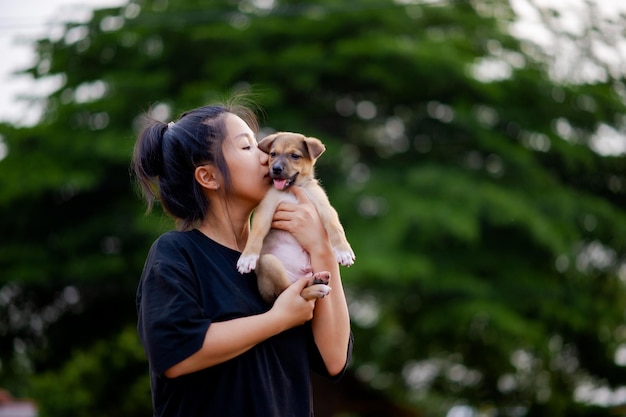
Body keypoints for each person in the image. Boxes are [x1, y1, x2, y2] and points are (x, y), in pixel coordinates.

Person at [131, 99, 353, 417]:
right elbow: (175, 354)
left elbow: (333, 360)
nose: (268, 158)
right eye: (248, 147)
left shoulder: (286, 258)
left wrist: (321, 247)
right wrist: (278, 319)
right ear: (209, 177)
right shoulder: (177, 254)